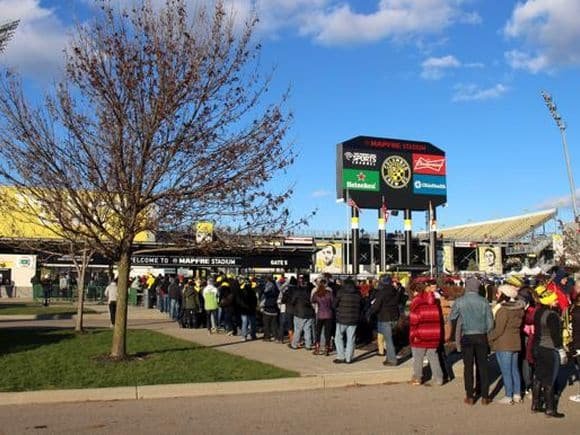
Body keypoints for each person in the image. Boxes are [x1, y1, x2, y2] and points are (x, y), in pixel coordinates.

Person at [446, 276, 494, 405]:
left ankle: (470, 396)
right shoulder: (484, 301)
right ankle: (485, 395)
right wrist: (484, 330)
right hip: (481, 336)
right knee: (483, 366)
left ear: (467, 287)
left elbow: (452, 317)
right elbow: (490, 323)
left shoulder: (460, 301)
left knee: (468, 366)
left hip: (467, 335)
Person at [532, 284, 566, 418]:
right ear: (549, 301)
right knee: (550, 379)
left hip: (538, 347)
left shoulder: (538, 312)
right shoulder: (552, 315)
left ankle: (535, 404)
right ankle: (550, 408)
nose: (557, 300)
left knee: (539, 376)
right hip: (550, 349)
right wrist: (561, 350)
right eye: (555, 299)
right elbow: (556, 336)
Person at [488, 284, 525, 404]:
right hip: (515, 341)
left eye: (498, 293)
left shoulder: (503, 310)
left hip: (503, 343)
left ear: (504, 295)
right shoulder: (519, 308)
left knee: (506, 371)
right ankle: (517, 394)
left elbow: (498, 329)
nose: (496, 295)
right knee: (514, 369)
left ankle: (508, 395)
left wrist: (488, 338)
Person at [408, 279, 444, 386]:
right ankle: (438, 379)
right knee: (433, 356)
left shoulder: (417, 301)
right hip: (434, 332)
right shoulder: (435, 301)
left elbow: (414, 320)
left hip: (420, 333)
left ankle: (417, 378)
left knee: (418, 357)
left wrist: (412, 335)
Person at [370, 275, 401, 366]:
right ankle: (389, 357)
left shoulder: (382, 292)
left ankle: (392, 360)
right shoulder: (394, 291)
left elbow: (376, 306)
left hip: (384, 318)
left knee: (388, 340)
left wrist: (371, 311)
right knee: (389, 339)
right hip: (394, 317)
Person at [333, 278, 361, 364]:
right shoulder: (357, 294)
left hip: (342, 318)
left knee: (338, 337)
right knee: (351, 339)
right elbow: (362, 305)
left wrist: (337, 311)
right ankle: (349, 358)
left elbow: (334, 304)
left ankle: (341, 356)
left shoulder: (341, 292)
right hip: (353, 319)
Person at [289, 277, 315, 350]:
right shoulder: (311, 292)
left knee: (298, 329)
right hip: (309, 313)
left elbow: (292, 301)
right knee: (307, 329)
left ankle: (294, 344)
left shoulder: (298, 292)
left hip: (300, 313)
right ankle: (308, 345)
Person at [311, 279, 334, 356]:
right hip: (328, 314)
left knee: (318, 332)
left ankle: (317, 347)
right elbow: (332, 302)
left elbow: (313, 300)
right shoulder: (329, 293)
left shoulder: (317, 294)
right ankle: (327, 348)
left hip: (320, 314)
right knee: (327, 332)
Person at [261, 276, 279, 341]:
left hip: (268, 309)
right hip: (274, 310)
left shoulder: (267, 293)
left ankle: (267, 337)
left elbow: (263, 298)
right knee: (274, 325)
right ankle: (276, 337)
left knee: (266, 324)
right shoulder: (277, 292)